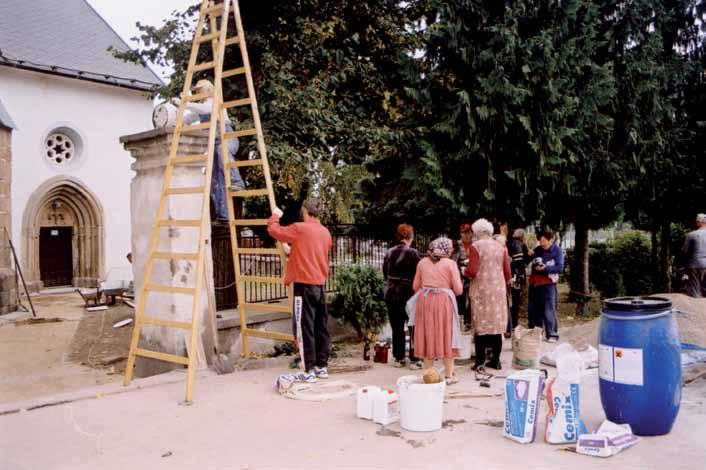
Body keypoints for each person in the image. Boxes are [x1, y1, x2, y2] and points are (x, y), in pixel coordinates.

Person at [267, 199, 332, 379]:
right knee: (320, 325)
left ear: (305, 211)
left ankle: (308, 368)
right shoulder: (325, 232)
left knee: (305, 327)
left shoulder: (300, 228)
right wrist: (293, 251)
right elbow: (313, 252)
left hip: (303, 285)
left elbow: (274, 230)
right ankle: (321, 366)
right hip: (319, 284)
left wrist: (275, 216)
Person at [171, 79, 245, 221]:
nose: (197, 92)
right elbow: (188, 119)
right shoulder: (200, 109)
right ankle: (223, 215)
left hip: (227, 139)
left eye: (199, 90)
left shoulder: (214, 102)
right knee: (215, 180)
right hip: (214, 145)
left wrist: (184, 102)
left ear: (208, 90)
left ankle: (237, 182)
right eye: (196, 91)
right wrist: (175, 121)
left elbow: (205, 109)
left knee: (222, 150)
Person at [410, 237, 463, 385]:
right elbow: (458, 290)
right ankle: (449, 375)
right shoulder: (451, 264)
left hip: (425, 300)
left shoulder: (422, 263)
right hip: (443, 302)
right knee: (447, 335)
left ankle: (428, 374)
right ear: (447, 249)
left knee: (428, 334)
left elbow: (415, 286)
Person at [466, 219, 511, 370]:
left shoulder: (475, 247)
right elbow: (507, 272)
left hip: (481, 290)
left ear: (477, 232)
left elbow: (472, 271)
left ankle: (480, 362)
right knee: (496, 325)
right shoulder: (500, 247)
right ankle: (496, 361)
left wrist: (463, 271)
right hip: (498, 290)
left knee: (481, 324)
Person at [383, 224, 422, 368]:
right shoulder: (413, 253)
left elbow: (385, 274)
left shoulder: (389, 252)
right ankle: (414, 358)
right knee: (413, 326)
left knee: (396, 326)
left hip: (391, 293)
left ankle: (399, 358)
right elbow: (419, 275)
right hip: (409, 294)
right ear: (410, 236)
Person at [527, 228, 564, 342]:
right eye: (540, 240)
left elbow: (560, 267)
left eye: (544, 240)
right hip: (535, 283)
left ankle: (552, 334)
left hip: (548, 284)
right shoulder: (537, 250)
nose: (542, 243)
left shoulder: (557, 251)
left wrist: (546, 268)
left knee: (549, 309)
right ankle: (537, 333)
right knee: (535, 309)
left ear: (550, 240)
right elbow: (528, 261)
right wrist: (529, 255)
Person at [508, 228, 529, 333]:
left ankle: (512, 325)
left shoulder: (510, 243)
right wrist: (529, 256)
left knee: (513, 302)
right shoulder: (517, 244)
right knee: (515, 302)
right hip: (516, 277)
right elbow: (519, 260)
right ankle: (514, 325)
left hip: (512, 276)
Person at [451, 222, 473, 328]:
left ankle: (469, 321)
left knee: (472, 298)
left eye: (469, 232)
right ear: (461, 234)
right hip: (460, 275)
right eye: (464, 233)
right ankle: (460, 319)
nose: (467, 235)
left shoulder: (475, 244)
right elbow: (454, 261)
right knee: (460, 297)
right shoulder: (457, 244)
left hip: (473, 274)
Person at [682, 213, 706, 298]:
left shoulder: (691, 235)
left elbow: (685, 251)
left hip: (695, 265)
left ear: (699, 222)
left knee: (695, 292)